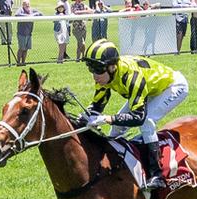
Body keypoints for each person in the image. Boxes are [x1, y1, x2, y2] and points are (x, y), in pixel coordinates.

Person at [80, 39, 189, 190]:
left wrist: (106, 119)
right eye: (91, 69)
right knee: (117, 128)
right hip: (150, 90)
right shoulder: (104, 75)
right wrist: (85, 116)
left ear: (112, 67)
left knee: (147, 122)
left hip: (173, 86)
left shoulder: (132, 77)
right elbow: (98, 104)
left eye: (98, 69)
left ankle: (157, 175)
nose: (95, 76)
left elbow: (138, 117)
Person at [15, 0, 42, 66]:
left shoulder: (32, 10)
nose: (27, 5)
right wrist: (27, 16)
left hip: (29, 33)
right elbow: (16, 15)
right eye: (26, 4)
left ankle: (23, 62)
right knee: (21, 48)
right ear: (23, 5)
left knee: (26, 49)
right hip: (21, 33)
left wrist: (32, 15)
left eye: (28, 4)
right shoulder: (20, 9)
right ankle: (18, 62)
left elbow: (41, 14)